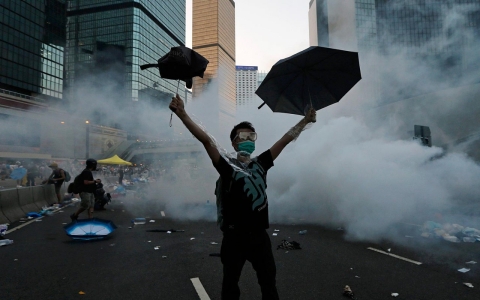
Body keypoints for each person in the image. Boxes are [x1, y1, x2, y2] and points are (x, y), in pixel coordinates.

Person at [169, 94, 316, 300]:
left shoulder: (261, 164)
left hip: (259, 237)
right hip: (233, 237)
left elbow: (285, 139)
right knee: (230, 285)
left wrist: (305, 121)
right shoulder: (226, 166)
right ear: (234, 142)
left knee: (268, 283)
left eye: (252, 137)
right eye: (243, 136)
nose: (248, 140)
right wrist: (183, 114)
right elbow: (206, 139)